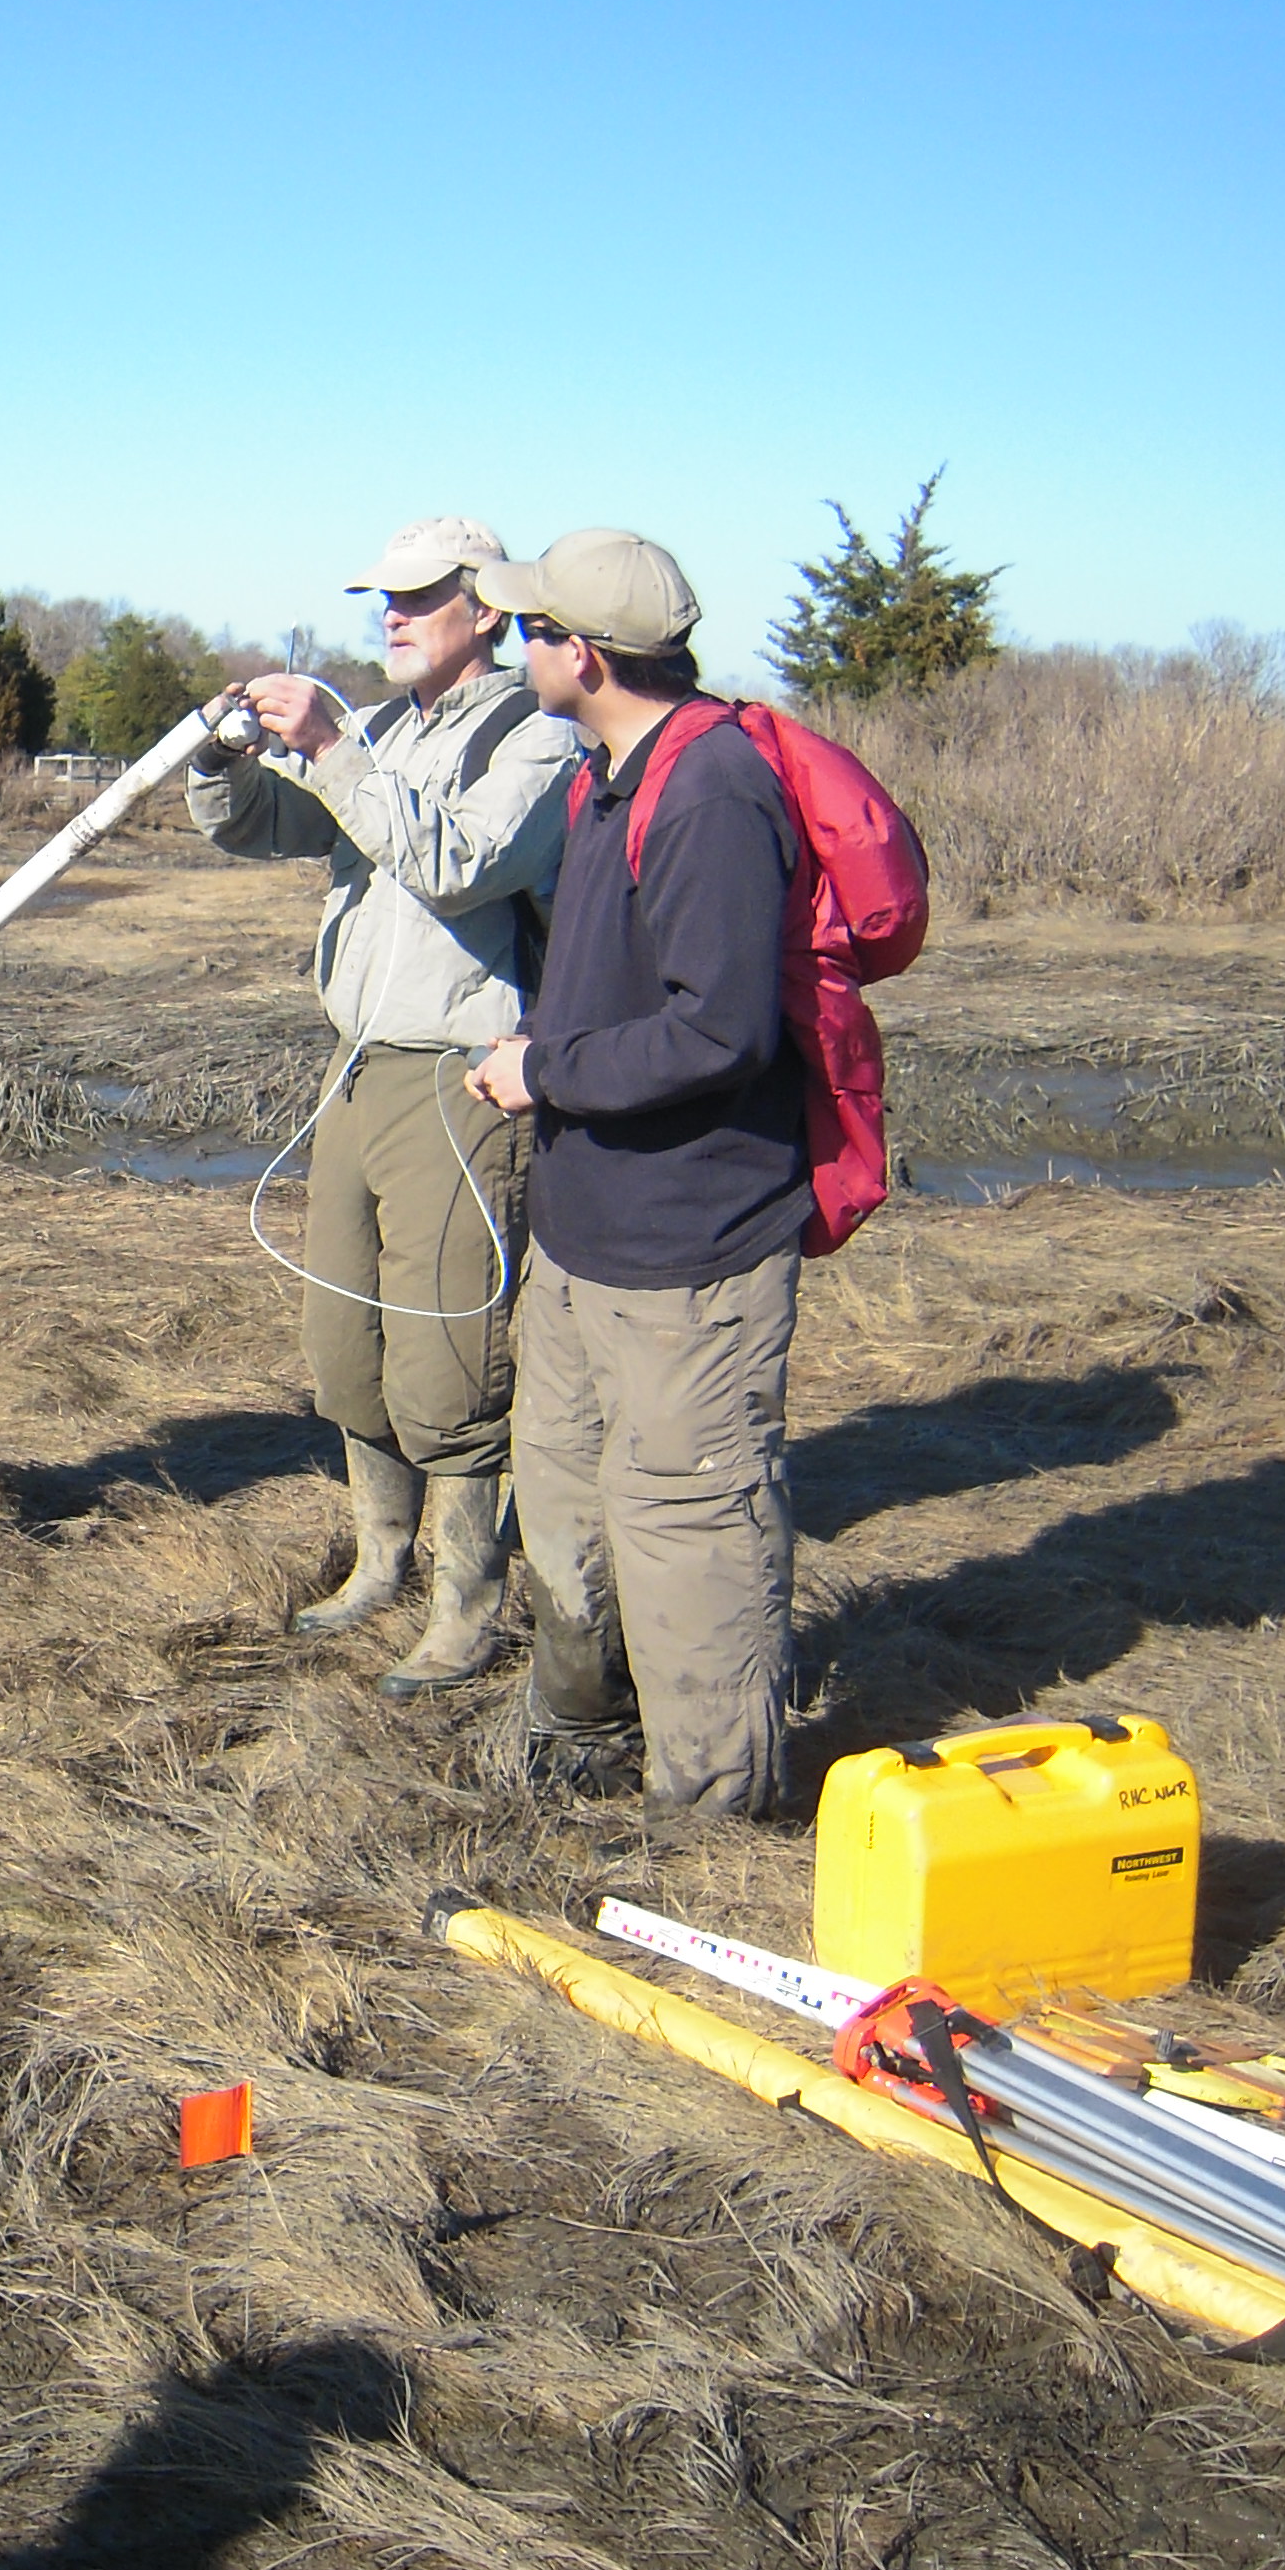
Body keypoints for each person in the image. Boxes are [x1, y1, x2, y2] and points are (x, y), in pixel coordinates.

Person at [188, 519, 581, 1694]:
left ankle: (467, 1604)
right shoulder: (392, 730)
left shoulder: (537, 735)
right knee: (343, 1347)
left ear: (485, 608)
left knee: (447, 1361)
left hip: (463, 1076)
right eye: (382, 599)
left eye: (415, 598)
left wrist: (334, 748)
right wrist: (225, 763)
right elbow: (275, 827)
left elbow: (461, 862)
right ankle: (379, 1560)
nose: (391, 617)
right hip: (356, 1069)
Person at [462, 531, 804, 1818]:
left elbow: (720, 1031)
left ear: (585, 653)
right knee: (562, 1496)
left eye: (530, 631)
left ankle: (713, 1815)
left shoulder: (711, 790)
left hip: (689, 1248)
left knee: (688, 1532)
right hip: (584, 1232)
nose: (513, 646)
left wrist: (547, 1074)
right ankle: (581, 1728)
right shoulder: (610, 775)